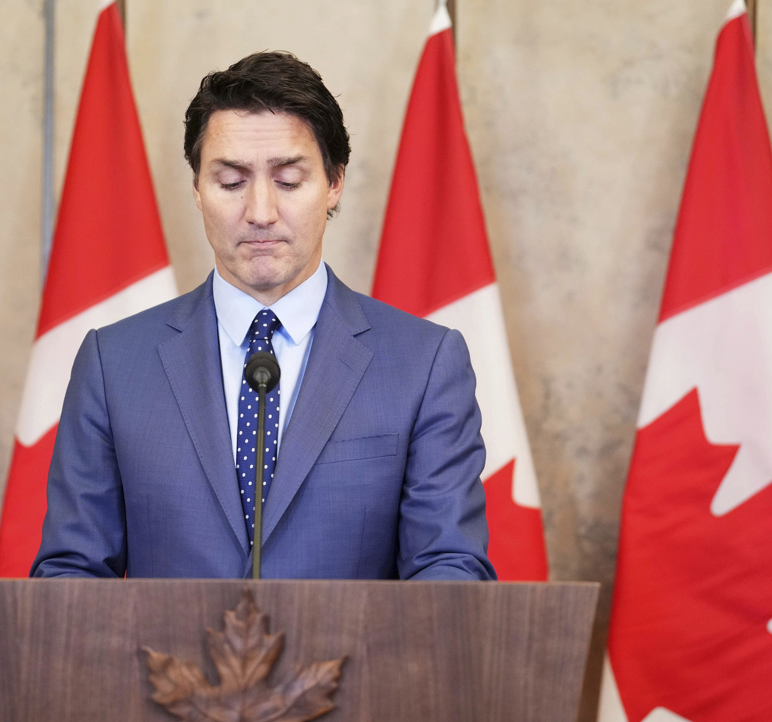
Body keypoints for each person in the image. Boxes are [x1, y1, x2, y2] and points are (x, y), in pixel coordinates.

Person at [32, 51, 494, 580]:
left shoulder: (424, 364)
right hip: (167, 664)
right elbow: (71, 571)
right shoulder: (113, 364)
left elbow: (449, 570)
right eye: (230, 182)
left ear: (335, 182)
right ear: (197, 188)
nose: (259, 212)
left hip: (354, 663)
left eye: (289, 181)